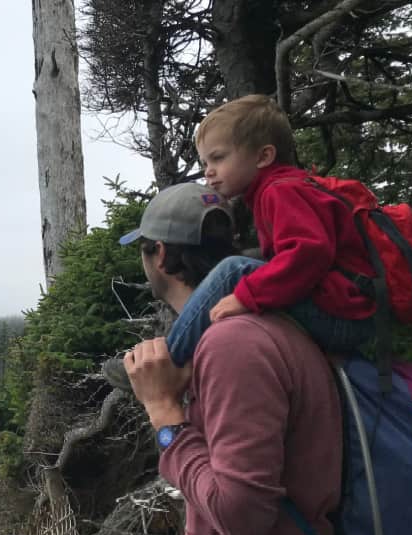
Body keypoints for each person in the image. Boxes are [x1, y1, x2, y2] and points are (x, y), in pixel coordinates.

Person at [121, 182, 362, 535]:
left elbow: (243, 515)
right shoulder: (278, 325)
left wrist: (165, 417)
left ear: (160, 256)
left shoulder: (233, 344)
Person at [104, 95, 374, 390]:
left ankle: (169, 361)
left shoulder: (280, 191)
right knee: (248, 264)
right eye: (205, 162)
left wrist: (246, 295)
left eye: (218, 158)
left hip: (343, 316)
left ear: (263, 157)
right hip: (344, 311)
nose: (208, 171)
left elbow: (309, 252)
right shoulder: (277, 190)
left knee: (234, 269)